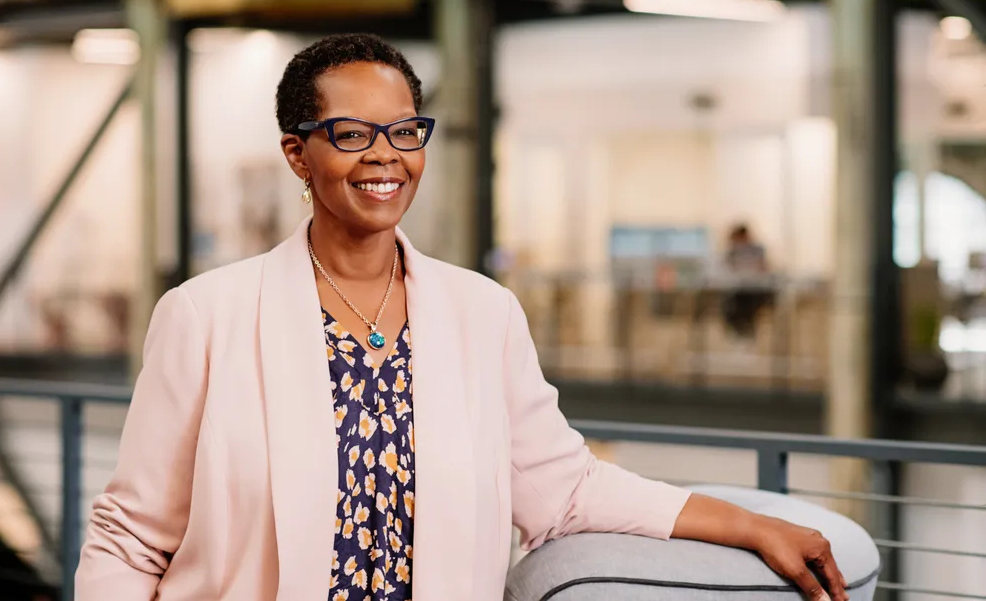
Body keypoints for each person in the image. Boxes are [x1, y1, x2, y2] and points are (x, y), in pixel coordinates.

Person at [75, 34, 848, 601]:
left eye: (405, 131)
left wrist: (747, 524)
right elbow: (131, 536)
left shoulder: (483, 313)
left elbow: (565, 488)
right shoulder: (206, 317)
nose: (386, 156)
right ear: (297, 153)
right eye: (352, 134)